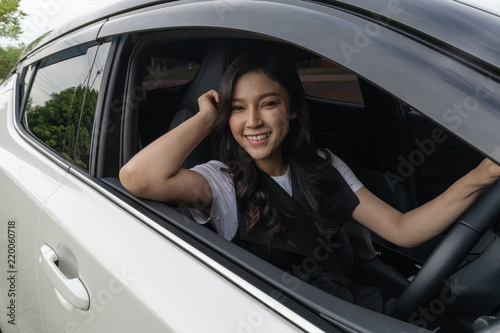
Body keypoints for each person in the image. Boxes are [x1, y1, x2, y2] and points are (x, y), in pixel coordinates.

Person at [119, 51, 500, 312]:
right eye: (238, 108)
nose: (252, 121)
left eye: (267, 103)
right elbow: (138, 177)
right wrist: (206, 118)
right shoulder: (219, 182)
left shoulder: (321, 164)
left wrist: (484, 175)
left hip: (350, 305)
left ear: (293, 109)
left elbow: (402, 229)